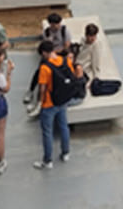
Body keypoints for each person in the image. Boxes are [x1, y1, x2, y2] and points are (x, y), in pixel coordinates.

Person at [32, 39, 83, 169]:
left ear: (44, 53)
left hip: (49, 103)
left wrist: (40, 103)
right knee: (63, 127)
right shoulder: (66, 61)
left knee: (47, 132)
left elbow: (42, 88)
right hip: (63, 100)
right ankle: (65, 153)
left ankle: (47, 161)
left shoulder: (45, 68)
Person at [25, 13, 73, 113]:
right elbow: (46, 45)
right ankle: (31, 92)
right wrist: (49, 52)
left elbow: (66, 46)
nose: (55, 26)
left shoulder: (64, 31)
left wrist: (53, 52)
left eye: (57, 24)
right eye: (53, 24)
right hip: (49, 54)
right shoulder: (47, 32)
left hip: (60, 55)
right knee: (40, 73)